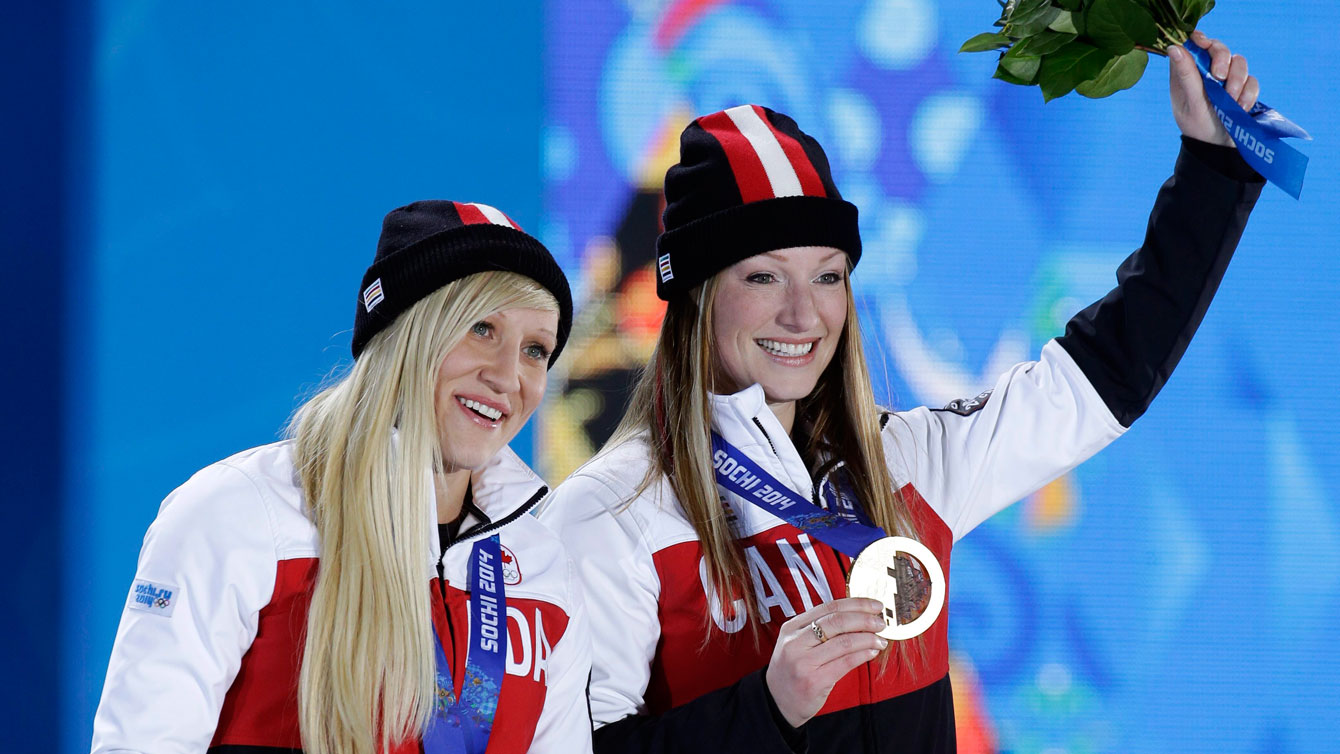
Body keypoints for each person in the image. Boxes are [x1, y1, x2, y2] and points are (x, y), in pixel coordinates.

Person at [541, 32, 1264, 753]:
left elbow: (1106, 372)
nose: (804, 314)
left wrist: (1212, 166)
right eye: (763, 276)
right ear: (696, 294)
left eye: (827, 275)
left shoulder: (909, 459)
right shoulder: (610, 511)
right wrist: (765, 710)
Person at [92, 201, 593, 754]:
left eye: (535, 350)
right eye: (480, 328)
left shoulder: (545, 568)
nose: (507, 376)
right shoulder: (240, 514)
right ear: (404, 333)